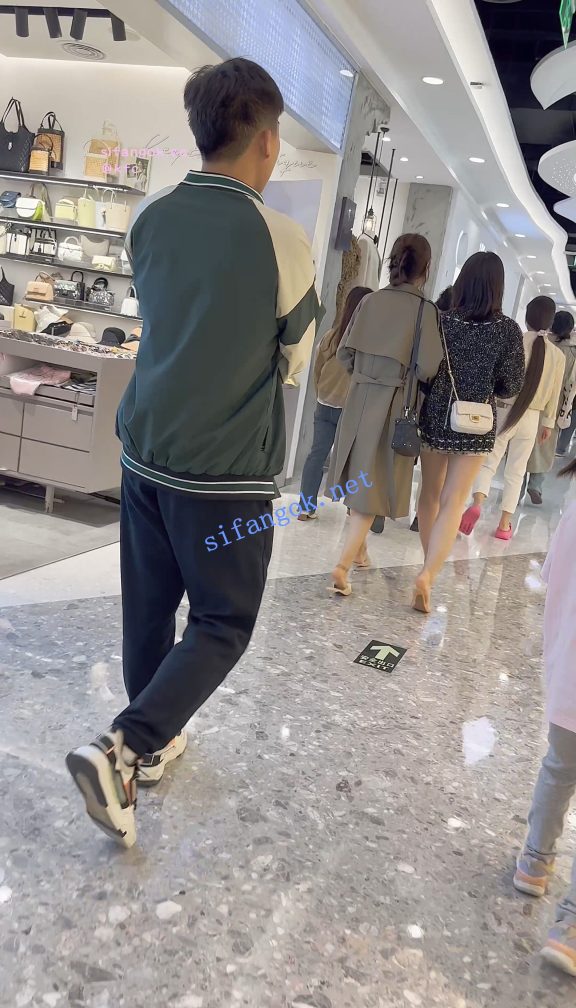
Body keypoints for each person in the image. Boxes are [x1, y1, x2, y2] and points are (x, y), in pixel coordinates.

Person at [66, 59, 321, 847]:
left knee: (148, 611)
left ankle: (146, 752)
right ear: (267, 142)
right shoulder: (282, 238)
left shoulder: (150, 217)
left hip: (145, 448)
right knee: (222, 619)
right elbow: (297, 356)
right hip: (225, 469)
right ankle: (124, 747)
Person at [328, 233, 444, 596]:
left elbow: (344, 354)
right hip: (394, 404)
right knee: (371, 486)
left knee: (356, 479)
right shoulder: (425, 311)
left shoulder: (370, 301)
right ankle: (342, 564)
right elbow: (428, 367)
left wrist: (366, 375)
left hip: (358, 398)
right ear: (425, 268)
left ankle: (360, 552)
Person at [415, 252, 525, 612]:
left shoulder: (440, 321)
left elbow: (424, 368)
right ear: (498, 287)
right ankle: (428, 575)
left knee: (429, 494)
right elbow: (511, 385)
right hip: (476, 423)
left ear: (462, 281)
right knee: (454, 500)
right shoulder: (508, 330)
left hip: (436, 415)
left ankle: (426, 565)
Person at [513, 456, 576, 977]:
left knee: (559, 766)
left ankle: (535, 861)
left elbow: (554, 573)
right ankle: (572, 923)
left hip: (571, 675)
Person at [460, 296, 564, 540]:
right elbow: (555, 394)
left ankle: (477, 503)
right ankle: (504, 525)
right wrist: (548, 424)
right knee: (517, 470)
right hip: (531, 417)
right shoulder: (557, 356)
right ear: (550, 322)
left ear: (527, 317)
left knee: (488, 461)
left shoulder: (515, 341)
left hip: (503, 409)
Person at [298, 286, 373, 522]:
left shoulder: (330, 336)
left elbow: (317, 370)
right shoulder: (366, 343)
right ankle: (352, 508)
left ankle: (305, 507)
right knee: (355, 459)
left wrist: (322, 393)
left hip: (324, 404)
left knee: (316, 455)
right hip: (351, 410)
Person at [410, 286, 453, 535]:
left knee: (419, 465)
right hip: (447, 408)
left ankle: (416, 513)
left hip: (420, 400)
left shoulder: (431, 324)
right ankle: (428, 515)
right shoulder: (459, 329)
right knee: (441, 472)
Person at [525, 312, 575, 504]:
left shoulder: (541, 343)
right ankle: (536, 485)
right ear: (570, 329)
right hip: (555, 406)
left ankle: (518, 486)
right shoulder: (571, 352)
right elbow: (571, 384)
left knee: (523, 445)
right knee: (545, 446)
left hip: (532, 400)